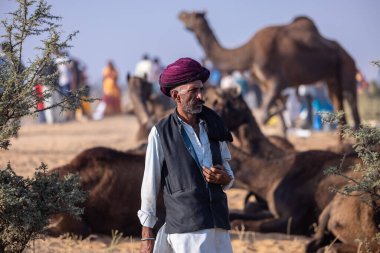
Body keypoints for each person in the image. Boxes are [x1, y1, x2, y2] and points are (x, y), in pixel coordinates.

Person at [138, 57, 234, 253]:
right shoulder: (160, 133)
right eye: (193, 91)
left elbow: (228, 173)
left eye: (201, 89)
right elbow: (150, 184)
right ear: (176, 95)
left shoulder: (214, 125)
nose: (200, 96)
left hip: (219, 224)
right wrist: (147, 234)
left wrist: (225, 178)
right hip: (186, 229)